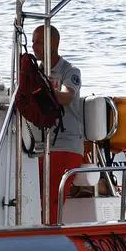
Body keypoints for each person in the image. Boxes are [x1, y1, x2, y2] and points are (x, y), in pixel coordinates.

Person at [31, 24, 84, 225]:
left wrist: (43, 90)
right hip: (40, 146)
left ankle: (49, 231)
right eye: (33, 41)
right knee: (35, 194)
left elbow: (66, 96)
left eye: (38, 42)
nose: (34, 46)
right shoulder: (35, 72)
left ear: (52, 44)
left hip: (65, 145)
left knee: (51, 196)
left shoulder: (70, 71)